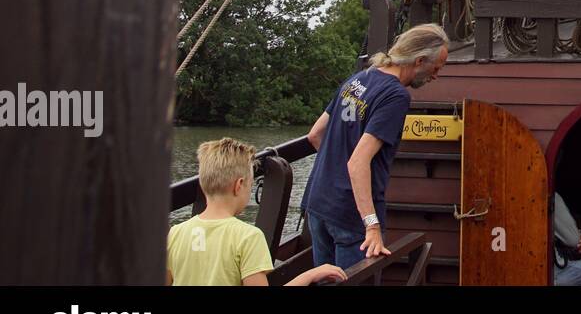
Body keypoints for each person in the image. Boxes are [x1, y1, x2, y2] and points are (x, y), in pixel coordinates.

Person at [302, 23, 449, 270]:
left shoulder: (360, 77)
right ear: (419, 60)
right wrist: (371, 225)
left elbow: (315, 134)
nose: (436, 75)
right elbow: (358, 162)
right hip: (350, 216)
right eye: (436, 68)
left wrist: (337, 173)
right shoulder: (395, 96)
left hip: (319, 203)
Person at [167, 137, 345, 286]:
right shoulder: (248, 237)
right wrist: (311, 275)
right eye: (250, 186)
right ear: (239, 185)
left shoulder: (175, 233)